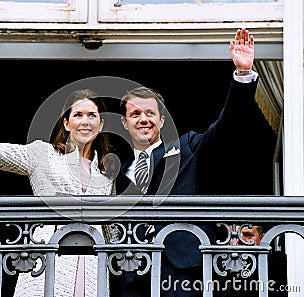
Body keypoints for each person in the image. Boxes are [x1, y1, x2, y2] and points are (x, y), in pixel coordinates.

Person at [112, 28, 266, 297]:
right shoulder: (114, 171)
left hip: (183, 273)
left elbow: (227, 128)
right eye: (135, 113)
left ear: (161, 121)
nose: (143, 119)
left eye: (150, 113)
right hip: (131, 277)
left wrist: (242, 75)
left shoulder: (187, 147)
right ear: (124, 123)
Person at [0, 85, 116, 296]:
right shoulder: (43, 154)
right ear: (66, 123)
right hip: (48, 259)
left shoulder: (106, 173)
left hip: (92, 267)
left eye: (92, 115)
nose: (85, 121)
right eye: (78, 115)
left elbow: (112, 229)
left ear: (101, 124)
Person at [214, 225, 287, 297]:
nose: (239, 240)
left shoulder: (277, 268)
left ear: (262, 238)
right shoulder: (215, 269)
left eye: (248, 235)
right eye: (233, 236)